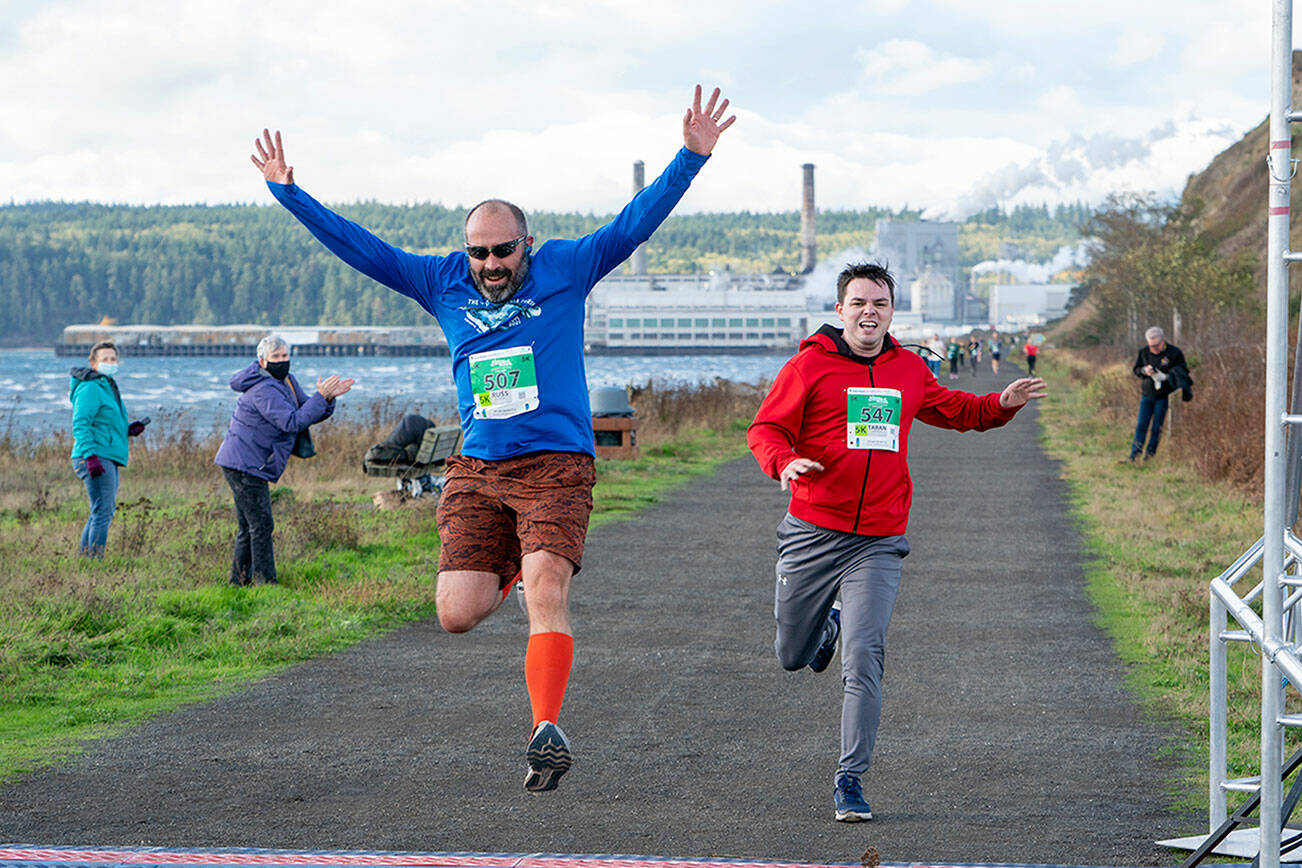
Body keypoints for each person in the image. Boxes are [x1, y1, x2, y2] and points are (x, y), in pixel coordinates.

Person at [251, 85, 736, 793]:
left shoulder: (569, 267)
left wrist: (689, 158)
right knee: (457, 613)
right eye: (478, 253)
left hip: (556, 466)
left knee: (546, 589)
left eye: (502, 251)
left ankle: (546, 729)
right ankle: (522, 558)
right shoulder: (440, 280)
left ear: (526, 244)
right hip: (477, 468)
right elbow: (360, 247)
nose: (489, 264)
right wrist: (290, 194)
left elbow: (636, 223)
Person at [746, 262, 1046, 823]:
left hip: (878, 540)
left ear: (891, 311)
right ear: (840, 311)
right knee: (791, 656)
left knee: (866, 656)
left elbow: (953, 409)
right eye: (858, 303)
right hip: (813, 528)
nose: (869, 312)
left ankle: (850, 779)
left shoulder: (908, 369)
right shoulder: (809, 366)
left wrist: (999, 405)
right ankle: (822, 627)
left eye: (879, 303)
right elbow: (765, 429)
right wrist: (784, 463)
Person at [214, 335, 354, 585]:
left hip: (248, 462)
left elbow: (306, 411)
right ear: (262, 362)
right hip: (244, 464)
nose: (282, 361)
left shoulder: (287, 381)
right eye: (276, 357)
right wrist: (320, 397)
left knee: (249, 527)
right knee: (261, 526)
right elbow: (291, 422)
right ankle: (265, 582)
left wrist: (328, 398)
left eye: (285, 356)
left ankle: (238, 581)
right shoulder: (263, 389)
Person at [69, 341, 149, 556]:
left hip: (106, 454)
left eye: (113, 359)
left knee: (100, 511)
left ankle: (85, 559)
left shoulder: (107, 386)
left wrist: (128, 429)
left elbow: (104, 423)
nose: (110, 363)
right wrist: (90, 455)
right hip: (95, 455)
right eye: (105, 359)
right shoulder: (91, 388)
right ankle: (94, 562)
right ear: (93, 362)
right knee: (103, 512)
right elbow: (80, 424)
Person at [1128, 325, 1188, 461]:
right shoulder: (1143, 352)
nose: (1154, 349)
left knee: (1157, 427)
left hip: (1164, 396)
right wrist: (1144, 370)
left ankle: (1150, 455)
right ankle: (1135, 455)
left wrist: (1167, 377)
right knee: (1141, 425)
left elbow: (1183, 373)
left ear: (1162, 341)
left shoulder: (1175, 353)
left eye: (1156, 346)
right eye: (1151, 346)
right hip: (1147, 395)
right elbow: (1136, 369)